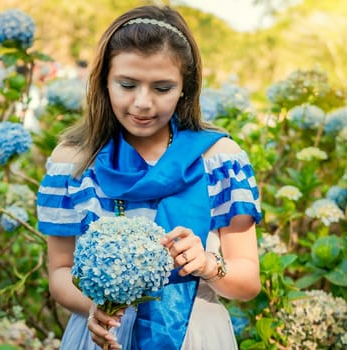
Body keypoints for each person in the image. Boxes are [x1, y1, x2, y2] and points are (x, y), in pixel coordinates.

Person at [36, 5, 262, 350]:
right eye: (127, 84)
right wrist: (94, 308)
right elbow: (60, 271)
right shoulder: (73, 163)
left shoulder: (219, 160)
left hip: (194, 335)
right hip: (101, 334)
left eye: (162, 88)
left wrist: (207, 264)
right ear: (103, 82)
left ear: (185, 87)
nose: (143, 103)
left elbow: (248, 283)